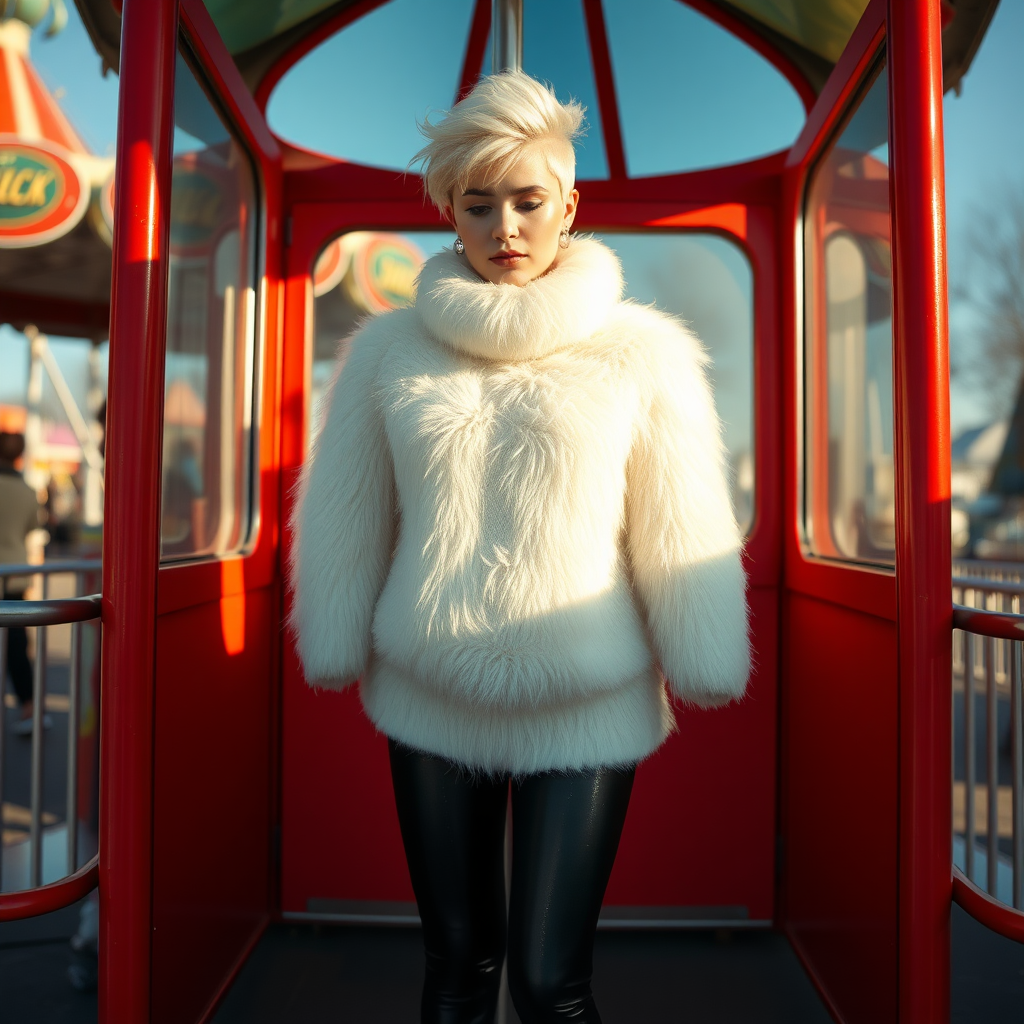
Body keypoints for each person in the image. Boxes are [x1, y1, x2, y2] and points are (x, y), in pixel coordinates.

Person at [290, 70, 750, 1023]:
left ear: (570, 206)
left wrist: (702, 653)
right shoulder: (387, 351)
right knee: (457, 968)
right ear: (450, 214)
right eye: (479, 203)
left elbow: (681, 517)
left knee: (552, 981)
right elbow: (345, 509)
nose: (505, 227)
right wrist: (330, 635)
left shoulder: (641, 351)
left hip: (590, 697)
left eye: (529, 201)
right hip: (429, 688)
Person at [0, 431, 47, 736]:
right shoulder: (29, 491)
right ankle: (29, 707)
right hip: (15, 570)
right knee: (16, 643)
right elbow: (33, 526)